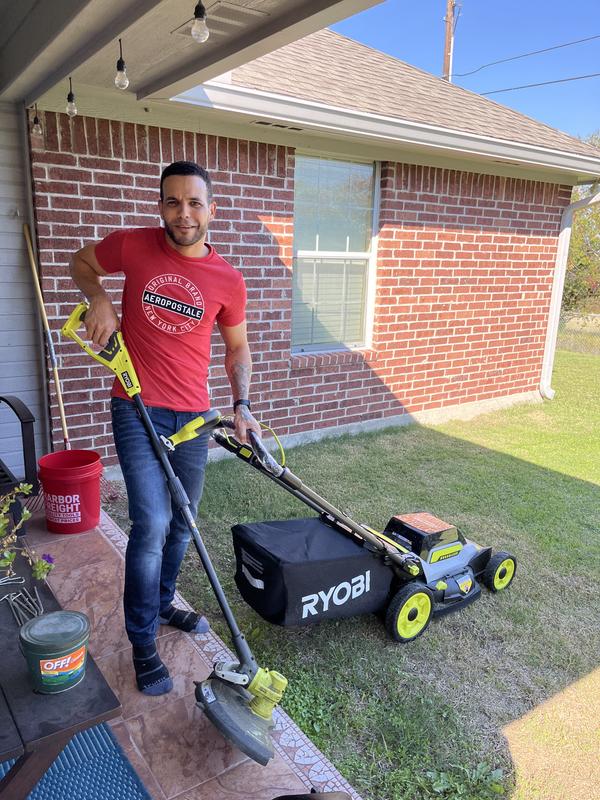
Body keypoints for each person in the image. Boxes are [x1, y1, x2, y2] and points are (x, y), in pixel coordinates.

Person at [70, 160, 261, 696]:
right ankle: (141, 642)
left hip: (194, 418)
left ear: (211, 210)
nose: (184, 213)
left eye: (194, 203)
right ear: (160, 207)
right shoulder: (132, 245)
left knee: (183, 521)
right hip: (136, 407)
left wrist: (242, 404)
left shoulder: (228, 278)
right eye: (173, 202)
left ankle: (160, 602)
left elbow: (238, 346)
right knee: (151, 524)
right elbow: (80, 262)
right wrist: (100, 297)